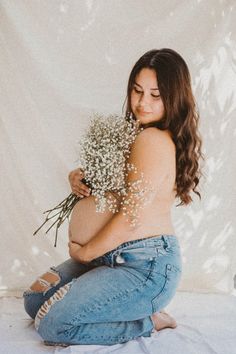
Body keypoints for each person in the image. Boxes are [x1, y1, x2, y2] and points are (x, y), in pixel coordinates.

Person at [23, 48, 204, 346]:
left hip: (143, 266)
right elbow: (117, 190)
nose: (143, 102)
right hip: (114, 256)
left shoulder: (153, 140)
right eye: (137, 91)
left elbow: (130, 219)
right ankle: (117, 303)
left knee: (52, 324)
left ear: (175, 97)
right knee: (34, 301)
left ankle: (149, 320)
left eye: (155, 95)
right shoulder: (137, 134)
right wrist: (81, 179)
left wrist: (86, 252)